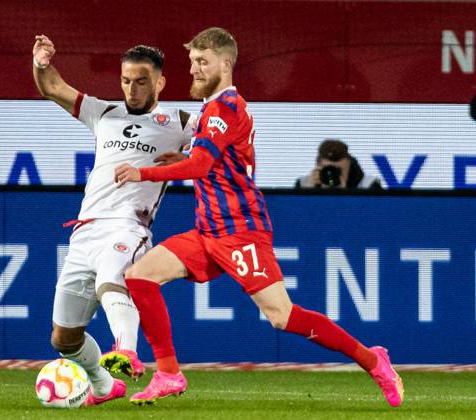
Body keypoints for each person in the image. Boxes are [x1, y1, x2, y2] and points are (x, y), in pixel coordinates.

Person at [113, 27, 404, 407]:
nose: (195, 70)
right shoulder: (213, 108)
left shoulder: (225, 107)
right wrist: (181, 160)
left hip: (239, 232)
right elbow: (213, 161)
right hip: (208, 230)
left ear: (226, 63)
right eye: (193, 62)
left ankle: (373, 359)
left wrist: (143, 172)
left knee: (282, 316)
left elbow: (202, 166)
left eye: (203, 62)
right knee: (140, 276)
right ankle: (168, 373)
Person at [32, 34, 194, 406]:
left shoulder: (181, 120)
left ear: (160, 83)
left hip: (128, 226)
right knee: (63, 338)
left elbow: (221, 145)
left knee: (112, 280)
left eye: (141, 81)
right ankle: (104, 386)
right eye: (125, 81)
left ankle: (127, 349)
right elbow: (52, 86)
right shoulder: (103, 112)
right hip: (85, 230)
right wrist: (41, 63)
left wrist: (189, 158)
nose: (132, 89)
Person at [295, 139, 383, 189]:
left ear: (349, 164)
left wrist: (343, 195)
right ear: (318, 165)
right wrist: (309, 193)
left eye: (339, 170)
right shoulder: (303, 184)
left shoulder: (369, 185)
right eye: (328, 169)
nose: (332, 174)